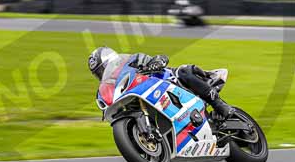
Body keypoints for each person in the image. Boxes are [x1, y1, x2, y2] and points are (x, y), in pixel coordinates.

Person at [87, 46, 235, 119]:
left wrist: (155, 62)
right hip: (150, 102)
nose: (102, 74)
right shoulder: (113, 86)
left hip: (166, 80)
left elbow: (157, 58)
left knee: (184, 71)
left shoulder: (131, 61)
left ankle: (219, 105)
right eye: (98, 73)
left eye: (102, 69)